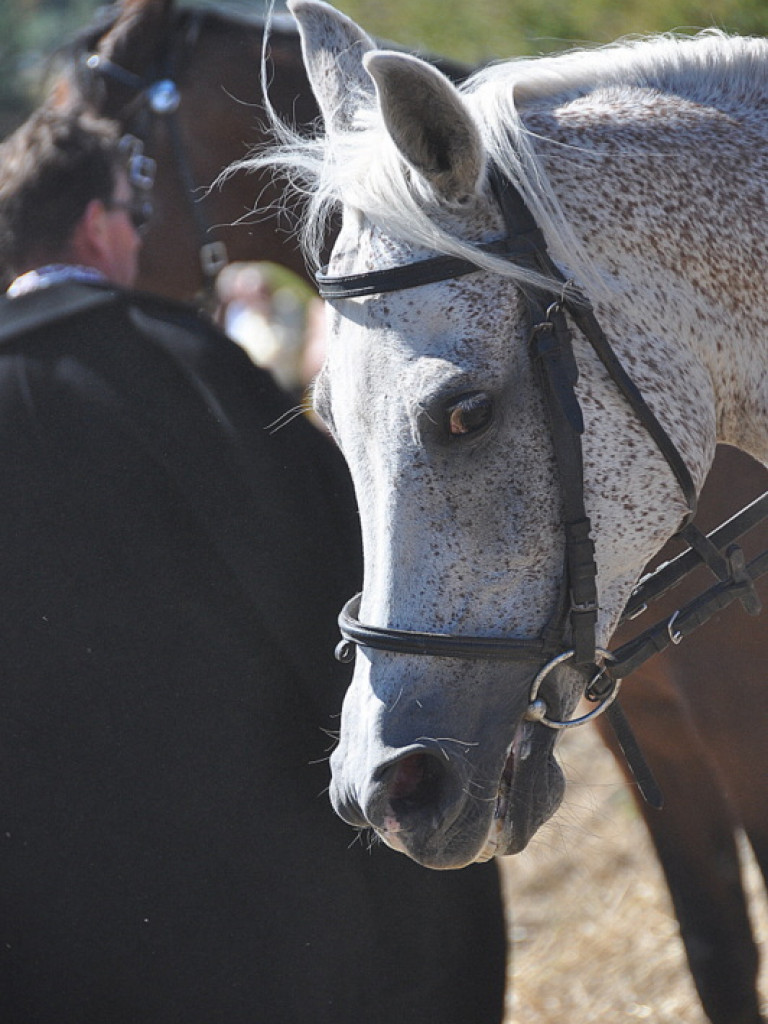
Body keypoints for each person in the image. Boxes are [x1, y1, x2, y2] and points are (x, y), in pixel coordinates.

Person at [0, 107, 507, 1023]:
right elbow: (330, 565)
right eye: (134, 216)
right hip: (262, 888)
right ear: (97, 224)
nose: (139, 238)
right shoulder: (180, 360)